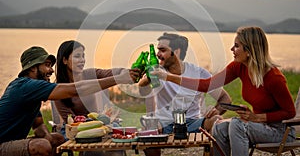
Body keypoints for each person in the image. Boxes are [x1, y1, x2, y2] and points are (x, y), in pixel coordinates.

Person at [152, 27, 296, 156]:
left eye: (236, 46)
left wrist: (257, 118)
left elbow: (290, 113)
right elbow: (207, 85)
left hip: (280, 132)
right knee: (220, 127)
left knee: (236, 124)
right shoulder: (238, 67)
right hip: (257, 127)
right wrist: (169, 77)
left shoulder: (274, 78)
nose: (232, 49)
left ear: (249, 50)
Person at [0, 46, 139, 156]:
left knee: (57, 139)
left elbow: (38, 126)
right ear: (32, 67)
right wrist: (119, 79)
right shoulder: (25, 86)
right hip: (3, 144)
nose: (50, 70)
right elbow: (75, 89)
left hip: (13, 142)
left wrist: (49, 137)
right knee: (41, 146)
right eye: (47, 65)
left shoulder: (31, 92)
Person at [139, 33, 231, 155]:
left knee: (217, 121)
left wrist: (216, 111)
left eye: (162, 50)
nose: (157, 54)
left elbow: (225, 99)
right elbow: (142, 89)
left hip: (192, 123)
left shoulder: (198, 73)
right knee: (149, 128)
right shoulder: (156, 71)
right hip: (163, 124)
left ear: (176, 52)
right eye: (158, 50)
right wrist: (147, 78)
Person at [54, 40, 126, 156]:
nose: (82, 60)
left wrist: (125, 72)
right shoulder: (59, 88)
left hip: (96, 123)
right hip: (73, 129)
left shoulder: (89, 74)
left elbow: (111, 73)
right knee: (93, 149)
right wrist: (95, 122)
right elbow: (70, 119)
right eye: (77, 56)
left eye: (83, 56)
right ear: (65, 60)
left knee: (116, 138)